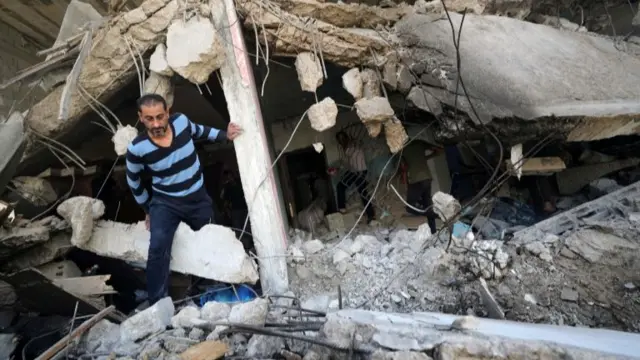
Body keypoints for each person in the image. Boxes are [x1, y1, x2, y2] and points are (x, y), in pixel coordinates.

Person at [125, 94, 242, 306]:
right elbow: (133, 182)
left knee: (210, 238)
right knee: (158, 247)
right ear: (140, 118)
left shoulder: (181, 122)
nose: (157, 123)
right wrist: (148, 209)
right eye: (149, 119)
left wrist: (226, 134)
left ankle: (205, 288)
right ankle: (158, 303)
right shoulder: (136, 148)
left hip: (197, 198)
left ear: (168, 113)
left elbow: (201, 131)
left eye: (160, 117)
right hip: (165, 202)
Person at [333, 131, 375, 223]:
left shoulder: (354, 144)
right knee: (340, 186)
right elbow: (348, 162)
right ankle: (342, 209)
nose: (341, 141)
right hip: (353, 171)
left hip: (361, 171)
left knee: (363, 192)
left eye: (342, 138)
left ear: (346, 138)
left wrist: (353, 140)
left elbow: (358, 146)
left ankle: (371, 215)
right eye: (339, 140)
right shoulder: (345, 148)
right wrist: (338, 168)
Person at [401, 140, 442, 233]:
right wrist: (425, 158)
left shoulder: (402, 149)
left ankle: (436, 215)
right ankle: (433, 231)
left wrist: (405, 181)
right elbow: (439, 150)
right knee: (428, 205)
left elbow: (404, 167)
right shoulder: (420, 143)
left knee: (410, 207)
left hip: (416, 179)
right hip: (427, 178)